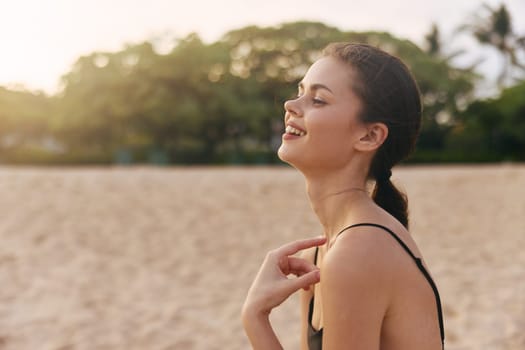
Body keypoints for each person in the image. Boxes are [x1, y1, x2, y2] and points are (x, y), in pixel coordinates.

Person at [241, 43, 445, 350]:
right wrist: (256, 313)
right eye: (300, 91)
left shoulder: (358, 252)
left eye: (318, 100)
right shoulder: (320, 256)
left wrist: (255, 318)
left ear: (369, 136)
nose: (290, 104)